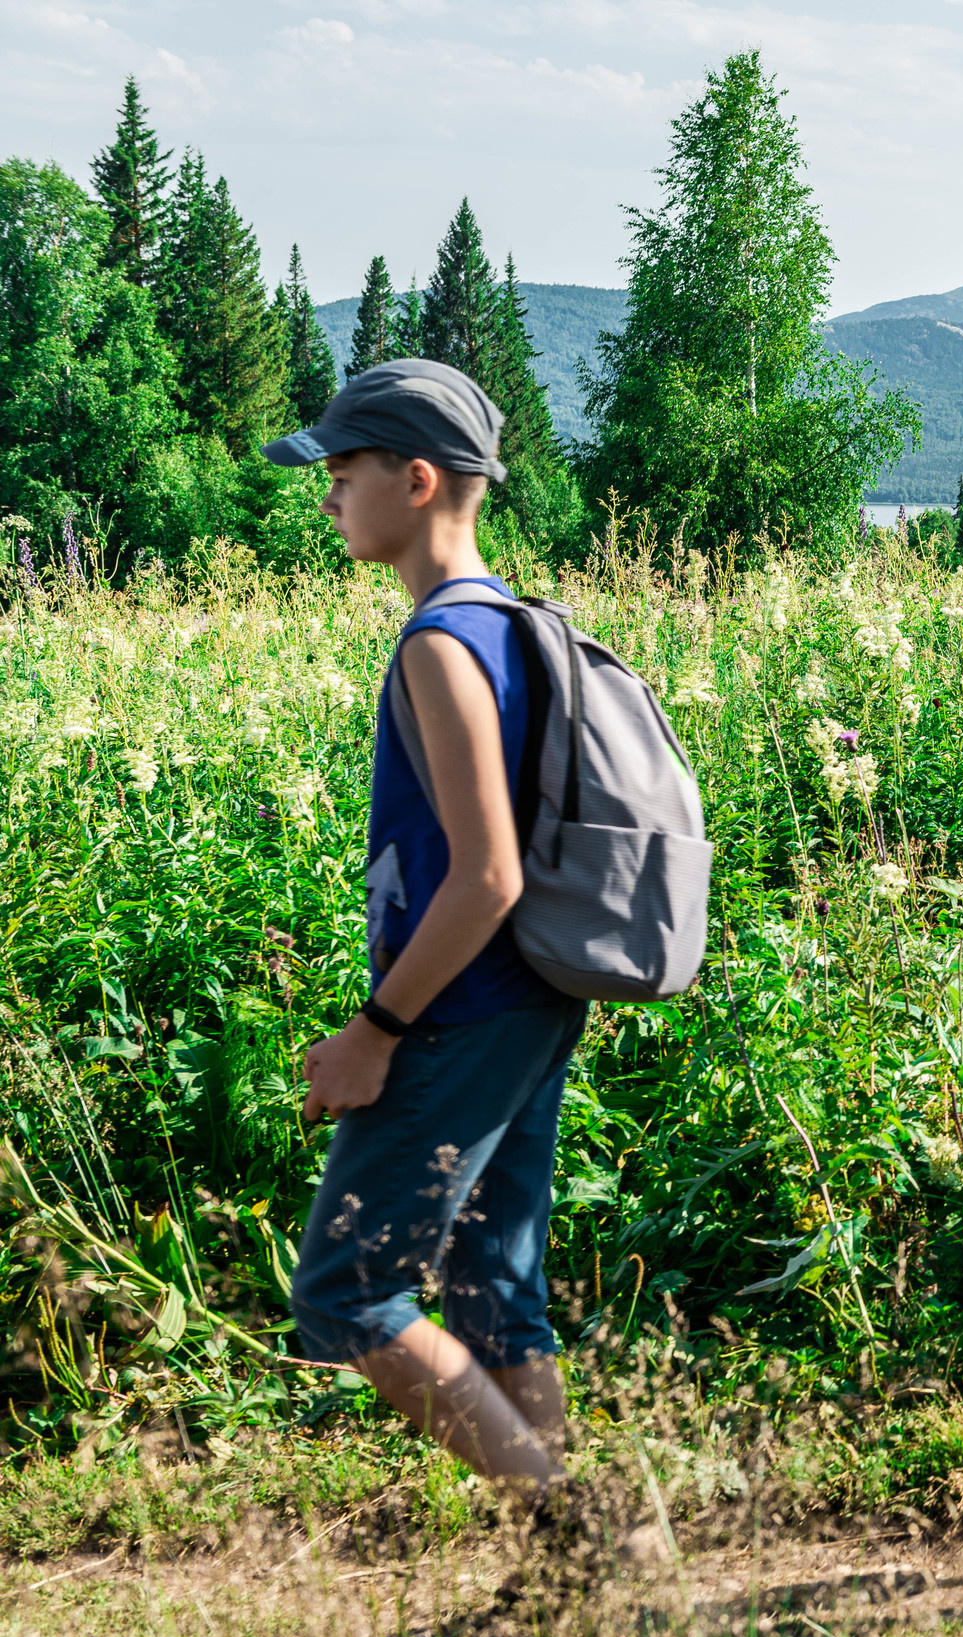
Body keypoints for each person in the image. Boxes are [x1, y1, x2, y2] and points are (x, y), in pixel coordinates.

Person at [268, 361, 587, 1508]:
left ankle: (577, 1529)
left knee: (347, 1295)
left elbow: (486, 874)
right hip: (534, 999)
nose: (329, 496)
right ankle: (568, 1575)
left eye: (343, 473)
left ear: (415, 480)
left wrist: (375, 1029)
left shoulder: (439, 646)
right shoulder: (512, 624)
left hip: (460, 1010)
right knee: (497, 1287)